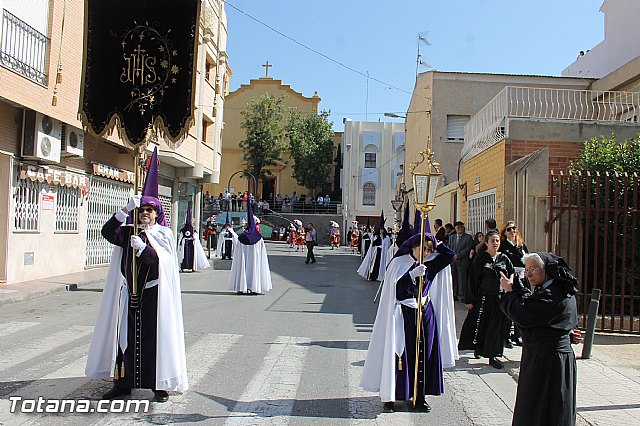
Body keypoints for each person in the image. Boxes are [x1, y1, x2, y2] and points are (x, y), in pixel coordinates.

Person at [85, 147, 188, 402]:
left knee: (154, 340)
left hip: (153, 295)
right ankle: (123, 383)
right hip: (128, 295)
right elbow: (107, 233)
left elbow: (160, 265)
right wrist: (123, 211)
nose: (144, 213)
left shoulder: (163, 235)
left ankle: (157, 385)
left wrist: (144, 250)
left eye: (149, 210)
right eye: (141, 209)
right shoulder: (128, 230)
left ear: (157, 214)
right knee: (125, 340)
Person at [360, 231, 457, 413]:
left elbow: (450, 256)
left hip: (425, 312)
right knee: (401, 356)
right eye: (423, 248)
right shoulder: (399, 263)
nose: (426, 253)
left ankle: (420, 397)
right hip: (403, 313)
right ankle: (392, 396)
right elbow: (394, 290)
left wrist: (438, 242)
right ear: (413, 247)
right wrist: (410, 275)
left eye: (429, 249)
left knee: (423, 355)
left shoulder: (431, 263)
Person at [500, 252, 581, 426]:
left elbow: (524, 315)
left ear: (546, 270)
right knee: (542, 408)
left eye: (533, 269)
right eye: (527, 269)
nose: (528, 274)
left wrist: (508, 292)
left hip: (548, 360)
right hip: (548, 357)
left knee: (546, 410)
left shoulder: (552, 294)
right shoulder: (556, 289)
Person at [458, 229, 516, 369]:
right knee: (482, 325)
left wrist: (511, 284)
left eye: (497, 240)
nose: (495, 243)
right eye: (492, 241)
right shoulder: (481, 258)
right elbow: (473, 279)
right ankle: (478, 348)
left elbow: (512, 272)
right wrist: (470, 300)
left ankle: (493, 355)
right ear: (487, 243)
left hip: (500, 298)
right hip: (483, 298)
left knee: (496, 328)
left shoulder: (504, 258)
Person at [228, 201, 272, 294]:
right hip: (255, 259)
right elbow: (262, 253)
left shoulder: (242, 237)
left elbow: (237, 247)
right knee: (254, 268)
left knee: (242, 268)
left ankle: (241, 287)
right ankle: (254, 287)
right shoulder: (259, 238)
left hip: (244, 258)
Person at [499, 220, 530, 347]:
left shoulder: (521, 245)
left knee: (522, 307)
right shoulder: (503, 246)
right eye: (509, 229)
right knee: (510, 307)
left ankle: (518, 335)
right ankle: (505, 337)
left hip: (523, 278)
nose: (512, 231)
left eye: (514, 228)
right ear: (505, 233)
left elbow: (528, 258)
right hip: (511, 279)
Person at [358, 212, 390, 282]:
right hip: (376, 252)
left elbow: (387, 246)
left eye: (382, 230)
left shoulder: (386, 238)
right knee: (375, 264)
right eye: (380, 230)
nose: (381, 231)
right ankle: (373, 276)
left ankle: (380, 276)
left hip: (382, 253)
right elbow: (372, 244)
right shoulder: (376, 236)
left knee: (381, 265)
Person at [177, 202, 209, 272]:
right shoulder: (183, 230)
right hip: (185, 244)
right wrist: (181, 243)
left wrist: (194, 239)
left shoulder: (193, 231)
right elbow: (181, 238)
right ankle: (183, 266)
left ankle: (192, 266)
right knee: (184, 256)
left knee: (191, 256)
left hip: (191, 245)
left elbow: (196, 238)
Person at [448, 221, 475, 302]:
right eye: (458, 227)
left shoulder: (468, 237)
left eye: (461, 227)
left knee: (462, 279)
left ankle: (461, 295)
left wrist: (458, 255)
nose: (460, 229)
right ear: (455, 229)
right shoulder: (451, 237)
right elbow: (449, 247)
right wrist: (452, 256)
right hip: (453, 261)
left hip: (462, 261)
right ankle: (454, 294)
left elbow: (468, 249)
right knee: (453, 277)